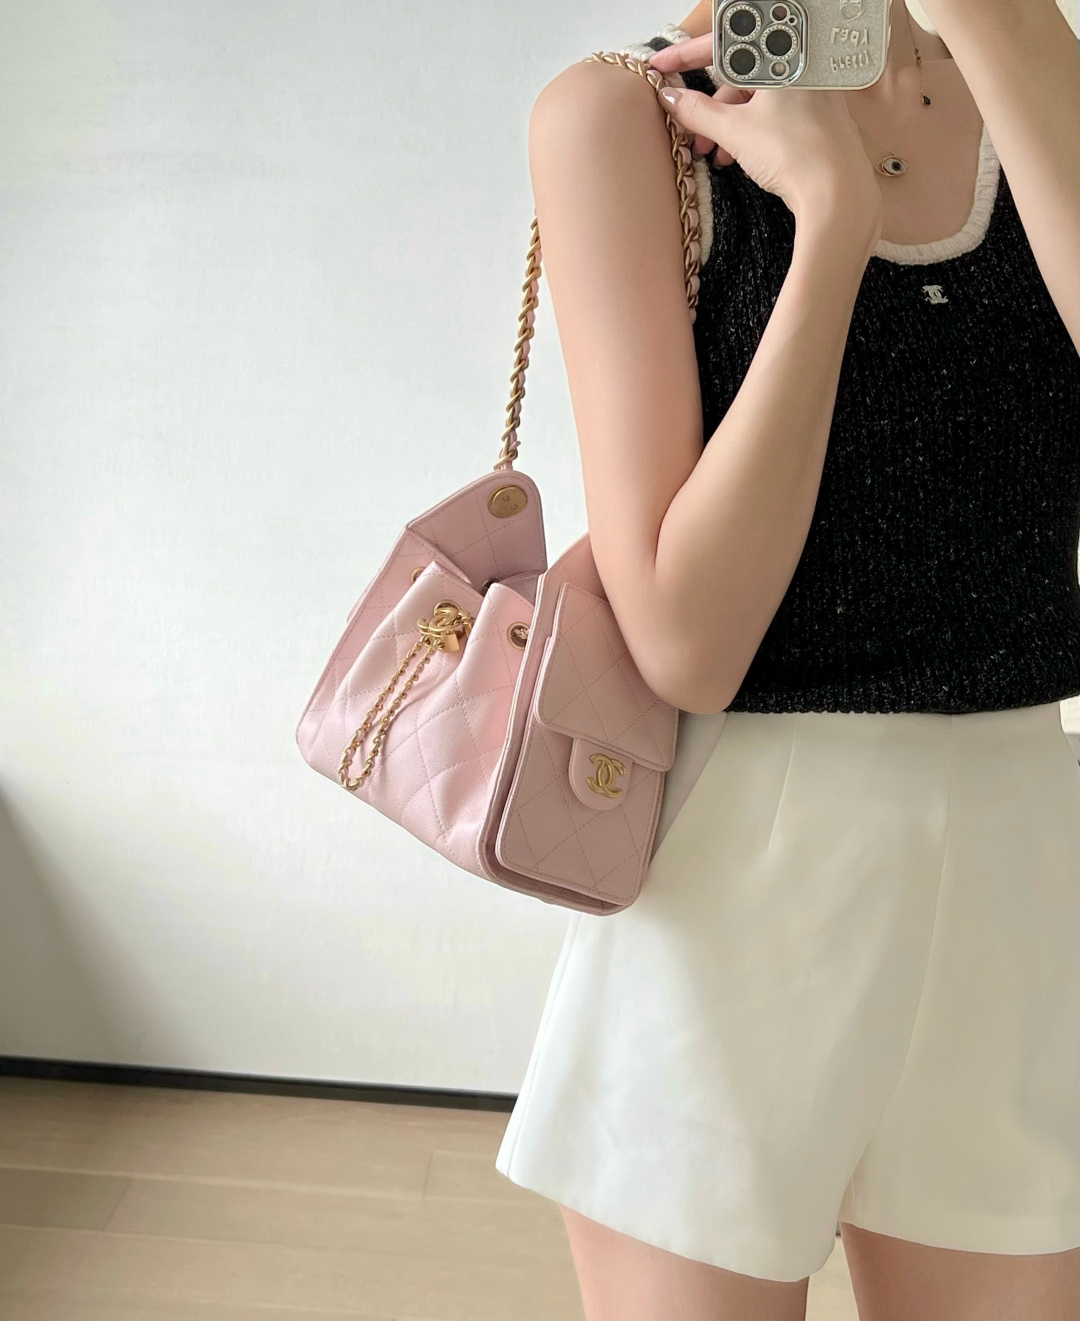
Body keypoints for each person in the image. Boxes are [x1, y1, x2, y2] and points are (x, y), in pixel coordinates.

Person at [492, 1, 1080, 1318]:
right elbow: (686, 643)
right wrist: (830, 232)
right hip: (734, 893)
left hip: (1019, 881)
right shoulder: (627, 118)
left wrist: (997, 22)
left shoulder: (1035, 69)